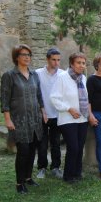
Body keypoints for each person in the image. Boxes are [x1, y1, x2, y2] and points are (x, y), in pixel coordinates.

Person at [0, 44, 46, 194]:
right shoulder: (9, 75)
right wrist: (8, 119)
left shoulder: (34, 75)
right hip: (19, 119)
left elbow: (39, 95)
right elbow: (5, 99)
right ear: (16, 57)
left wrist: (43, 112)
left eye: (29, 55)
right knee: (23, 151)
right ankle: (19, 183)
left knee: (32, 149)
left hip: (34, 118)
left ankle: (28, 177)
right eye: (23, 54)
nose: (27, 57)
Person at [50, 52, 89, 184]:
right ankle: (68, 175)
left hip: (82, 119)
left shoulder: (83, 78)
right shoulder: (62, 77)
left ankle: (77, 173)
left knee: (80, 146)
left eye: (83, 63)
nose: (81, 65)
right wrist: (69, 109)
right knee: (73, 147)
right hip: (67, 119)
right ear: (72, 64)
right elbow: (54, 98)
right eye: (78, 63)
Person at [35, 48, 64, 179]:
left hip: (57, 114)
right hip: (42, 114)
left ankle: (56, 167)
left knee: (56, 142)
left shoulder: (63, 74)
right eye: (53, 59)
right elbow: (35, 93)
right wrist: (41, 110)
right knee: (41, 143)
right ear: (47, 59)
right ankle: (42, 168)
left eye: (58, 60)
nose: (56, 62)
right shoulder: (37, 74)